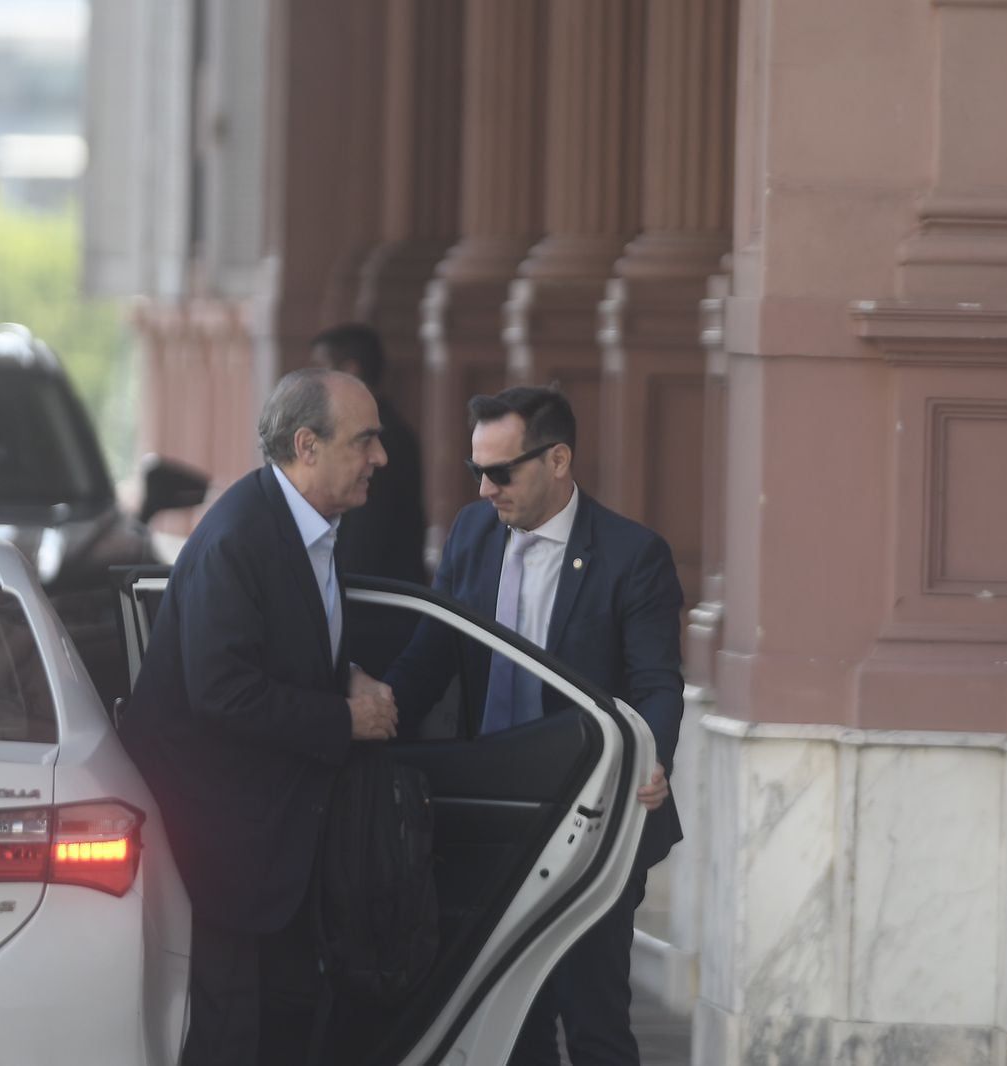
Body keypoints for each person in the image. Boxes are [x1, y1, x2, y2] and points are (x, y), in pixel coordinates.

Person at [384, 386, 684, 1066]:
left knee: (593, 1016)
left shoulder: (632, 555)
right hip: (495, 818)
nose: (486, 490)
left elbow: (657, 683)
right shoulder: (470, 534)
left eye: (501, 472)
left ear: (557, 459)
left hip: (593, 820)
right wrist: (370, 716)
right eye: (475, 472)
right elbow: (429, 656)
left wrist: (651, 758)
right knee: (510, 1021)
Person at [117, 367, 400, 1066]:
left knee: (282, 1028)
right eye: (364, 441)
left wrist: (347, 676)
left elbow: (284, 651)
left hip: (274, 846)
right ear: (308, 445)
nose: (381, 459)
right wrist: (346, 718)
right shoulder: (239, 538)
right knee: (231, 1038)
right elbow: (224, 692)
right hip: (223, 847)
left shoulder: (313, 525)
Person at [312, 324, 427, 679]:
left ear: (350, 372)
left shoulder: (380, 442)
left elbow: (361, 546)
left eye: (321, 370)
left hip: (377, 622)